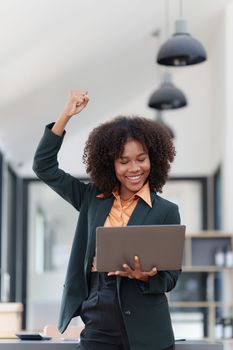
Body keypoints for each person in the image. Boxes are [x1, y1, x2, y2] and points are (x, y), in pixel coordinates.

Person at [33, 90, 181, 350]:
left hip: (148, 324)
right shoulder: (92, 198)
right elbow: (44, 166)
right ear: (110, 164)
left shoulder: (166, 211)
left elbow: (170, 278)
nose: (134, 169)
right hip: (99, 319)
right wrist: (66, 114)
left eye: (141, 159)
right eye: (123, 162)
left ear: (153, 159)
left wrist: (145, 276)